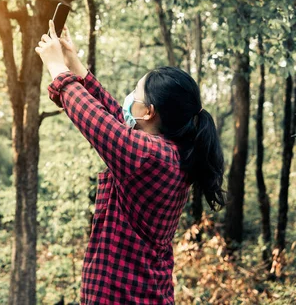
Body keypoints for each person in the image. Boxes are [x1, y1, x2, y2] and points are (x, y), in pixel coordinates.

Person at [35, 20, 225, 304]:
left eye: (134, 95)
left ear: (148, 112)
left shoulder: (152, 156)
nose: (128, 100)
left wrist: (56, 69)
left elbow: (98, 123)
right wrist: (73, 63)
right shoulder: (169, 150)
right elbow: (112, 118)